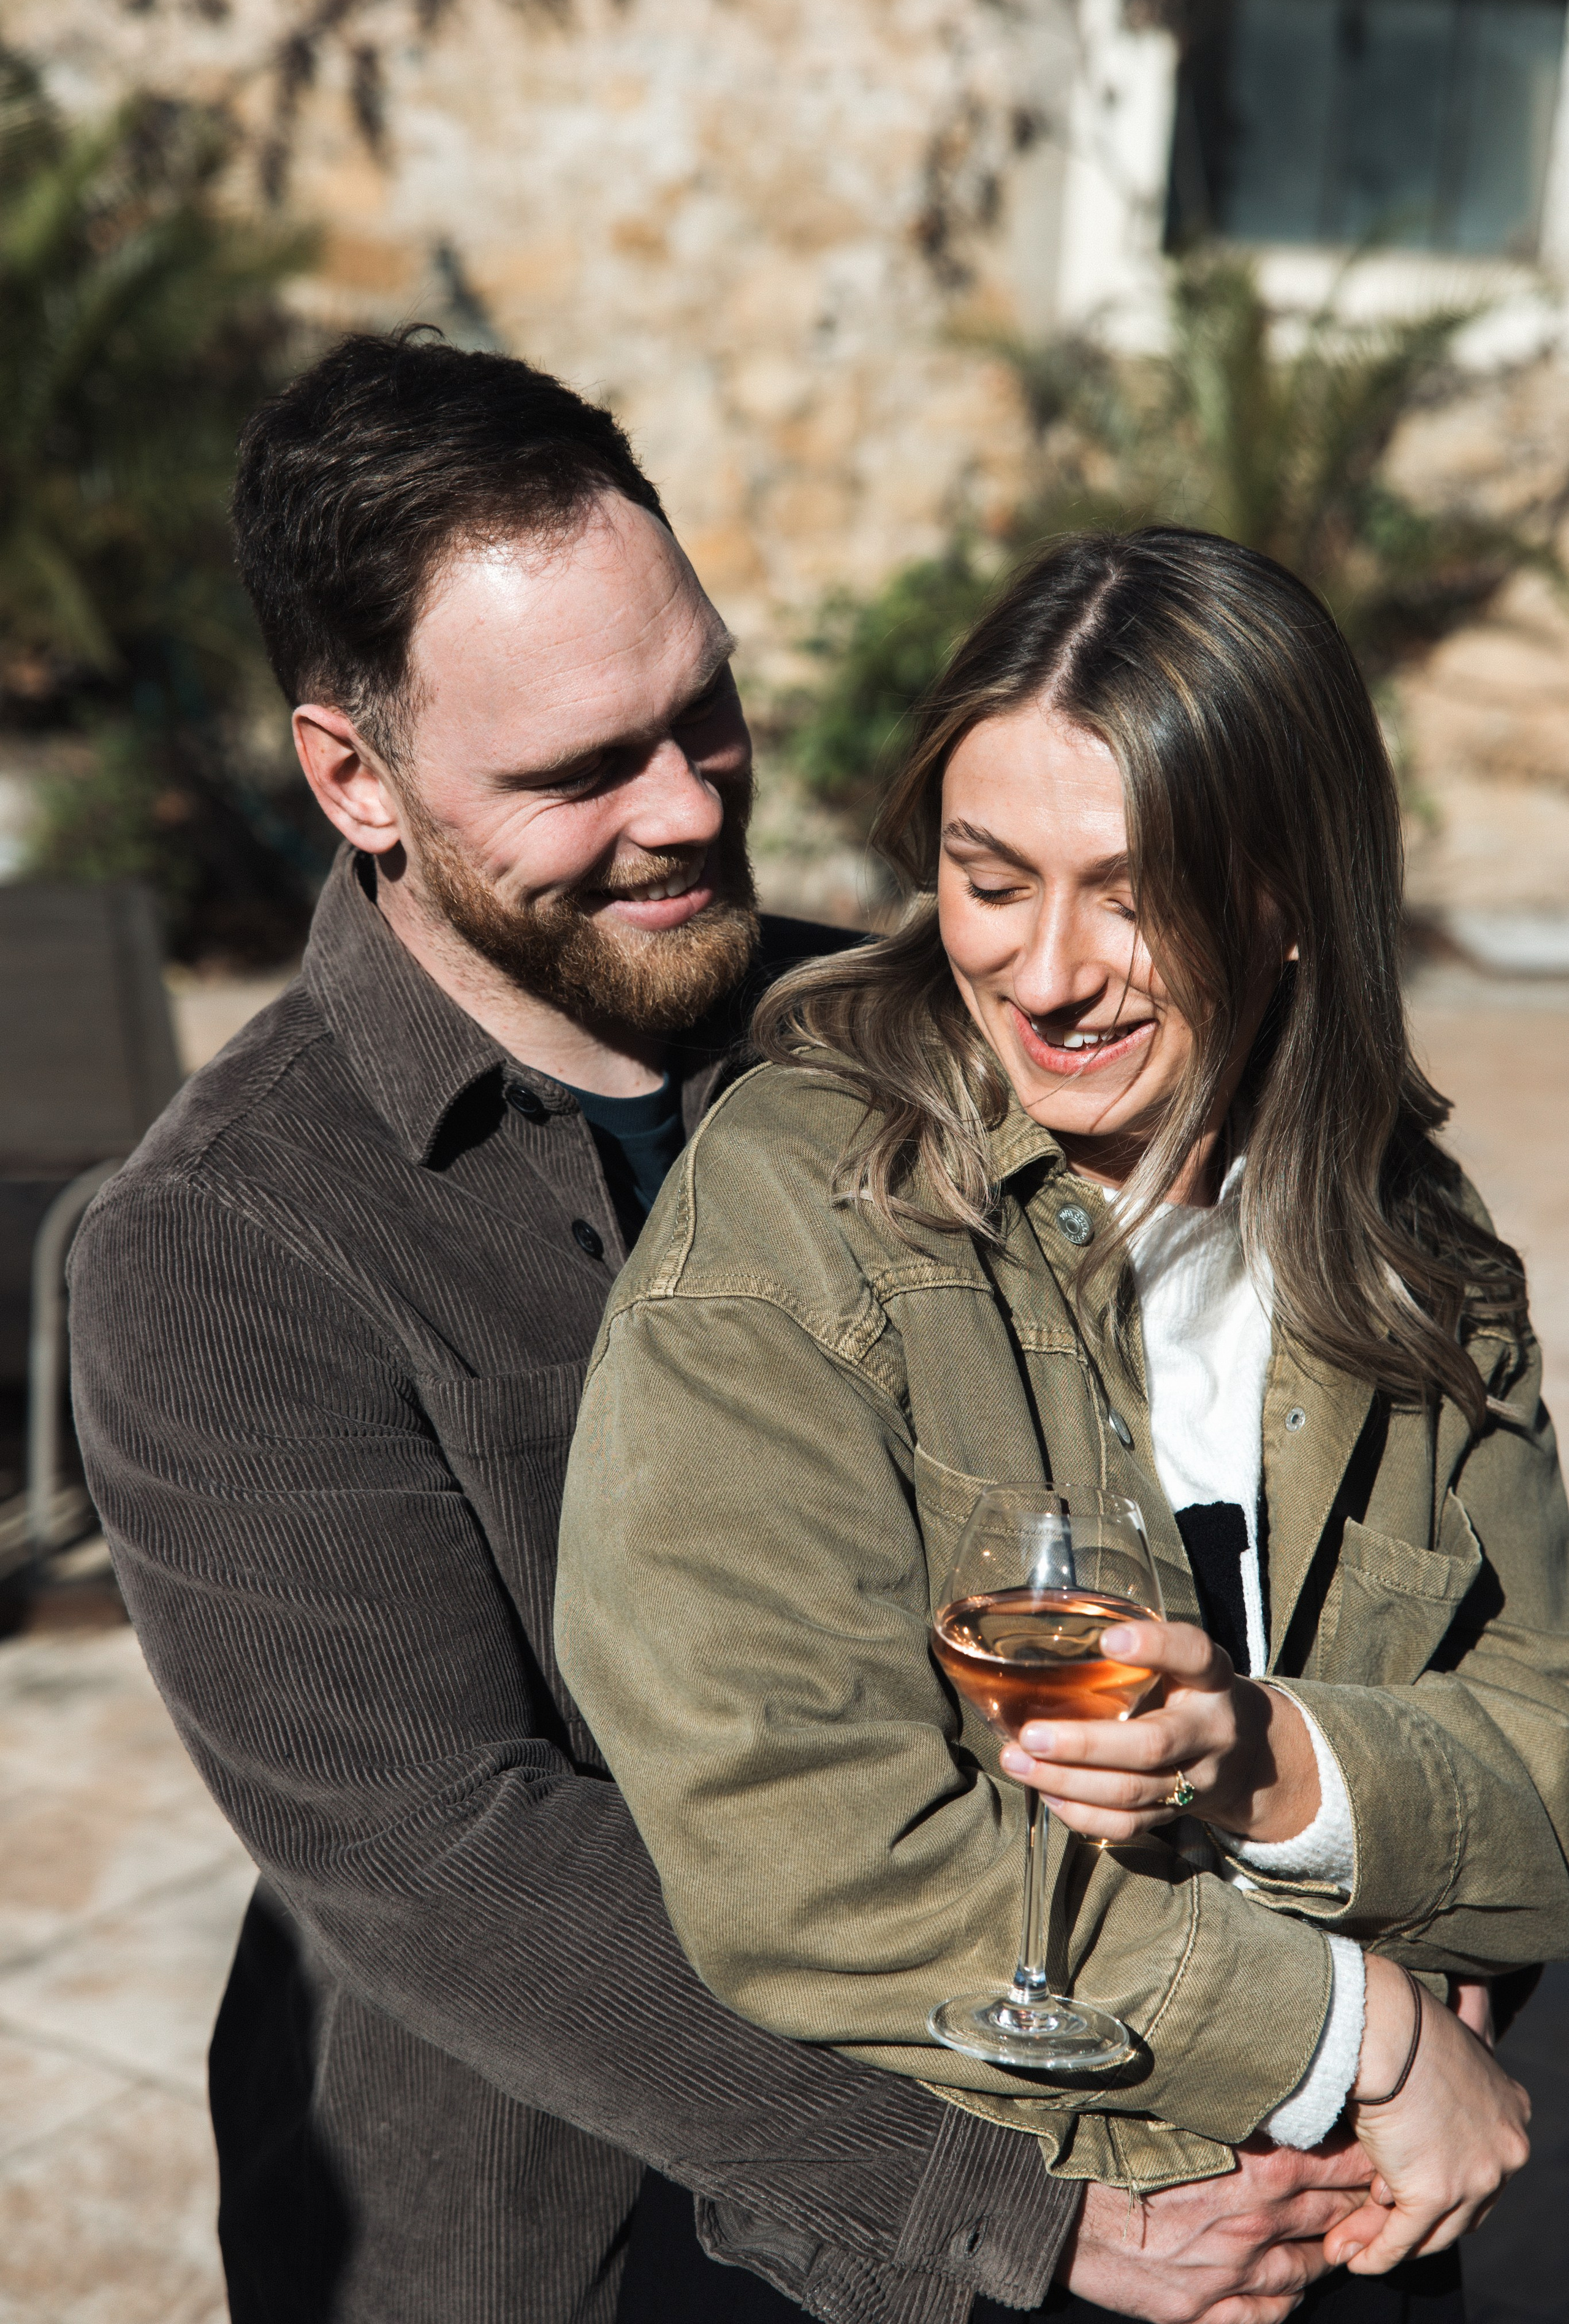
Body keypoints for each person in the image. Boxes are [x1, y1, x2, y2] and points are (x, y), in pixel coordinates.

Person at [67, 344, 1367, 2324]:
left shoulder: (909, 1023)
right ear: (359, 780)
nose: (687, 811)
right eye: (583, 773)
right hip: (562, 2232)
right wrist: (1006, 2208)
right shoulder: (223, 1244)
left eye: (707, 714)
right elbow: (447, 1859)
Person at [556, 527, 1567, 2322]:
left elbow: (1547, 1760)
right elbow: (795, 1844)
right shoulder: (795, 1215)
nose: (1046, 971)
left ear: (1287, 897)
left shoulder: (1421, 1259)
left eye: (1132, 890)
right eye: (989, 876)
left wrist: (1264, 1760)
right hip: (966, 2268)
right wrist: (1360, 2027)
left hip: (1346, 2253)